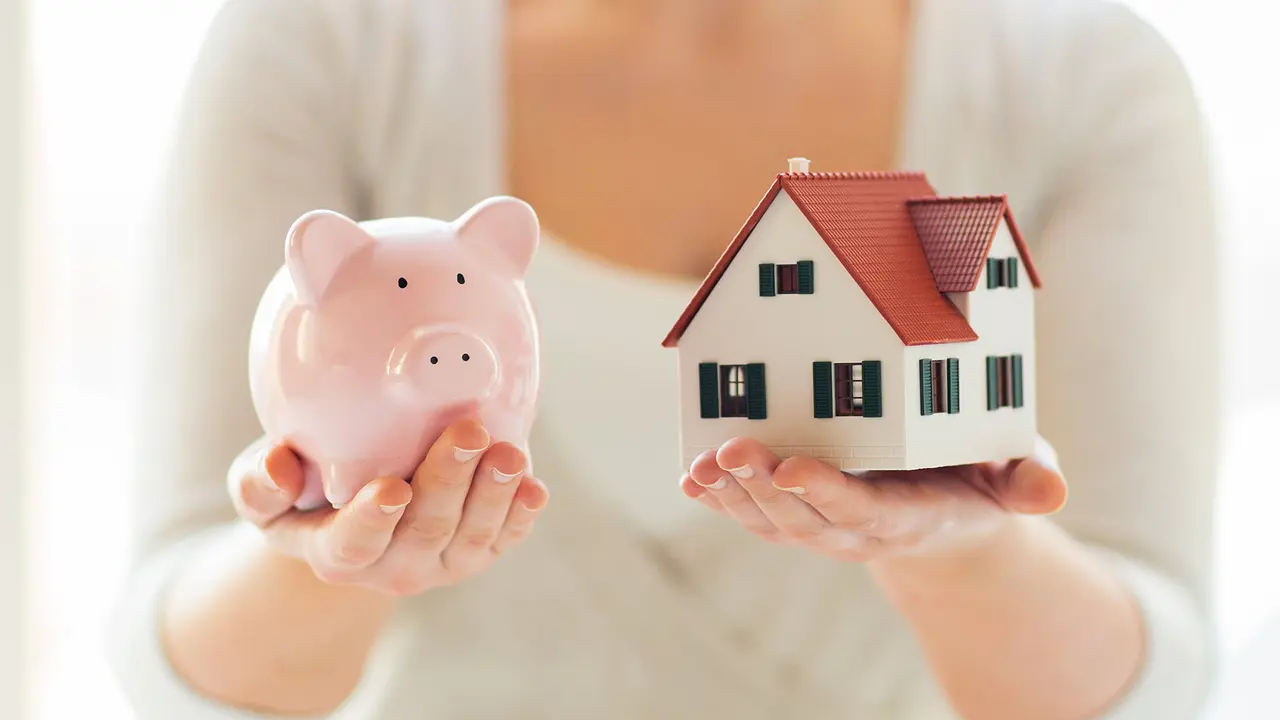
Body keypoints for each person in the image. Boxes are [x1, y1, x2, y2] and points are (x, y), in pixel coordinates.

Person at [106, 0, 1222, 718]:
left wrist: (962, 555)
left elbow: (1157, 676)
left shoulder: (1083, 76)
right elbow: (174, 656)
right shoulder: (326, 43)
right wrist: (328, 559)